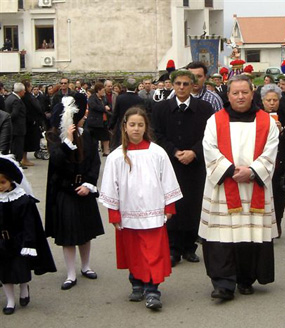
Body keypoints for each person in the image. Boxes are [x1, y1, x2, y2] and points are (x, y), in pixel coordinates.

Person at [199, 75, 279, 301]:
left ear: (252, 93)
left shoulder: (267, 121)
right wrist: (231, 170)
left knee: (248, 235)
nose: (240, 96)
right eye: (235, 93)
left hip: (254, 185)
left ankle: (246, 279)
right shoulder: (215, 120)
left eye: (245, 92)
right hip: (224, 186)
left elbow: (272, 150)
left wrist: (253, 171)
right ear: (228, 95)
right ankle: (223, 284)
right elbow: (210, 149)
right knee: (221, 236)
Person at [99, 107, 182, 311]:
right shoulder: (116, 156)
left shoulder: (157, 152)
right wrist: (114, 212)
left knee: (153, 252)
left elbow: (168, 180)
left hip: (154, 210)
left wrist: (169, 205)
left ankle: (153, 290)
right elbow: (110, 185)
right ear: (125, 127)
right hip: (128, 211)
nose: (136, 129)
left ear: (146, 128)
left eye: (140, 125)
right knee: (133, 251)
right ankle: (136, 282)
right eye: (132, 125)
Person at [152, 70, 214, 266]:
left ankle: (189, 247)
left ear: (193, 85)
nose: (181, 87)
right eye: (178, 83)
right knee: (172, 205)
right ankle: (172, 248)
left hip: (195, 164)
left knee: (193, 205)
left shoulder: (204, 108)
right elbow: (157, 134)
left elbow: (209, 135)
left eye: (186, 84)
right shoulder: (161, 108)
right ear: (172, 84)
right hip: (170, 164)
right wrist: (175, 151)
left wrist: (194, 152)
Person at [45, 95, 104, 290]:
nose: (85, 115)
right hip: (65, 191)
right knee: (68, 236)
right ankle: (70, 273)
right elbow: (56, 161)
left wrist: (89, 184)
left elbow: (94, 161)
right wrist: (68, 141)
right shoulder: (54, 136)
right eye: (82, 113)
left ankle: (86, 266)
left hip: (84, 190)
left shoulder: (86, 134)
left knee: (85, 233)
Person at [0, 155, 56, 315]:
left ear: (11, 181)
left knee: (20, 271)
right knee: (4, 273)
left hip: (19, 242)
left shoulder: (23, 201)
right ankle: (10, 300)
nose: (0, 187)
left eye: (3, 182)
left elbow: (29, 225)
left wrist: (29, 243)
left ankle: (24, 288)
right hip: (2, 244)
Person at [261, 84, 285, 238]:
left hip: (279, 162)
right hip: (261, 161)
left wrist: (282, 131)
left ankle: (277, 223)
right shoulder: (256, 115)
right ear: (262, 101)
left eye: (275, 100)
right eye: (268, 100)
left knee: (278, 196)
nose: (271, 103)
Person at [109, 78, 145, 150]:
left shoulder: (120, 98)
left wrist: (111, 125)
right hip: (135, 125)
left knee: (122, 145)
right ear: (136, 87)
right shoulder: (139, 99)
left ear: (125, 87)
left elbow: (115, 113)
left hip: (122, 125)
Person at [21, 81, 44, 167]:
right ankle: (24, 159)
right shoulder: (26, 97)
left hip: (31, 121)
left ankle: (25, 158)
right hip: (29, 123)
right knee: (26, 141)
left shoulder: (28, 96)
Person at [4, 83, 27, 167]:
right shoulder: (16, 100)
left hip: (13, 128)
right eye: (24, 90)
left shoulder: (9, 97)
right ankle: (17, 162)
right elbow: (14, 114)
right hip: (18, 128)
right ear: (21, 91)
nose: (24, 92)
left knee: (14, 146)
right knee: (17, 147)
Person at [86, 82, 111, 156]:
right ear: (98, 90)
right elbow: (94, 107)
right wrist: (104, 108)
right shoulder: (92, 98)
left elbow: (108, 104)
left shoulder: (104, 97)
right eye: (102, 90)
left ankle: (106, 151)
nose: (104, 92)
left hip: (104, 120)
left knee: (106, 136)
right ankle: (94, 151)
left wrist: (108, 107)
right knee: (95, 138)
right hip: (95, 121)